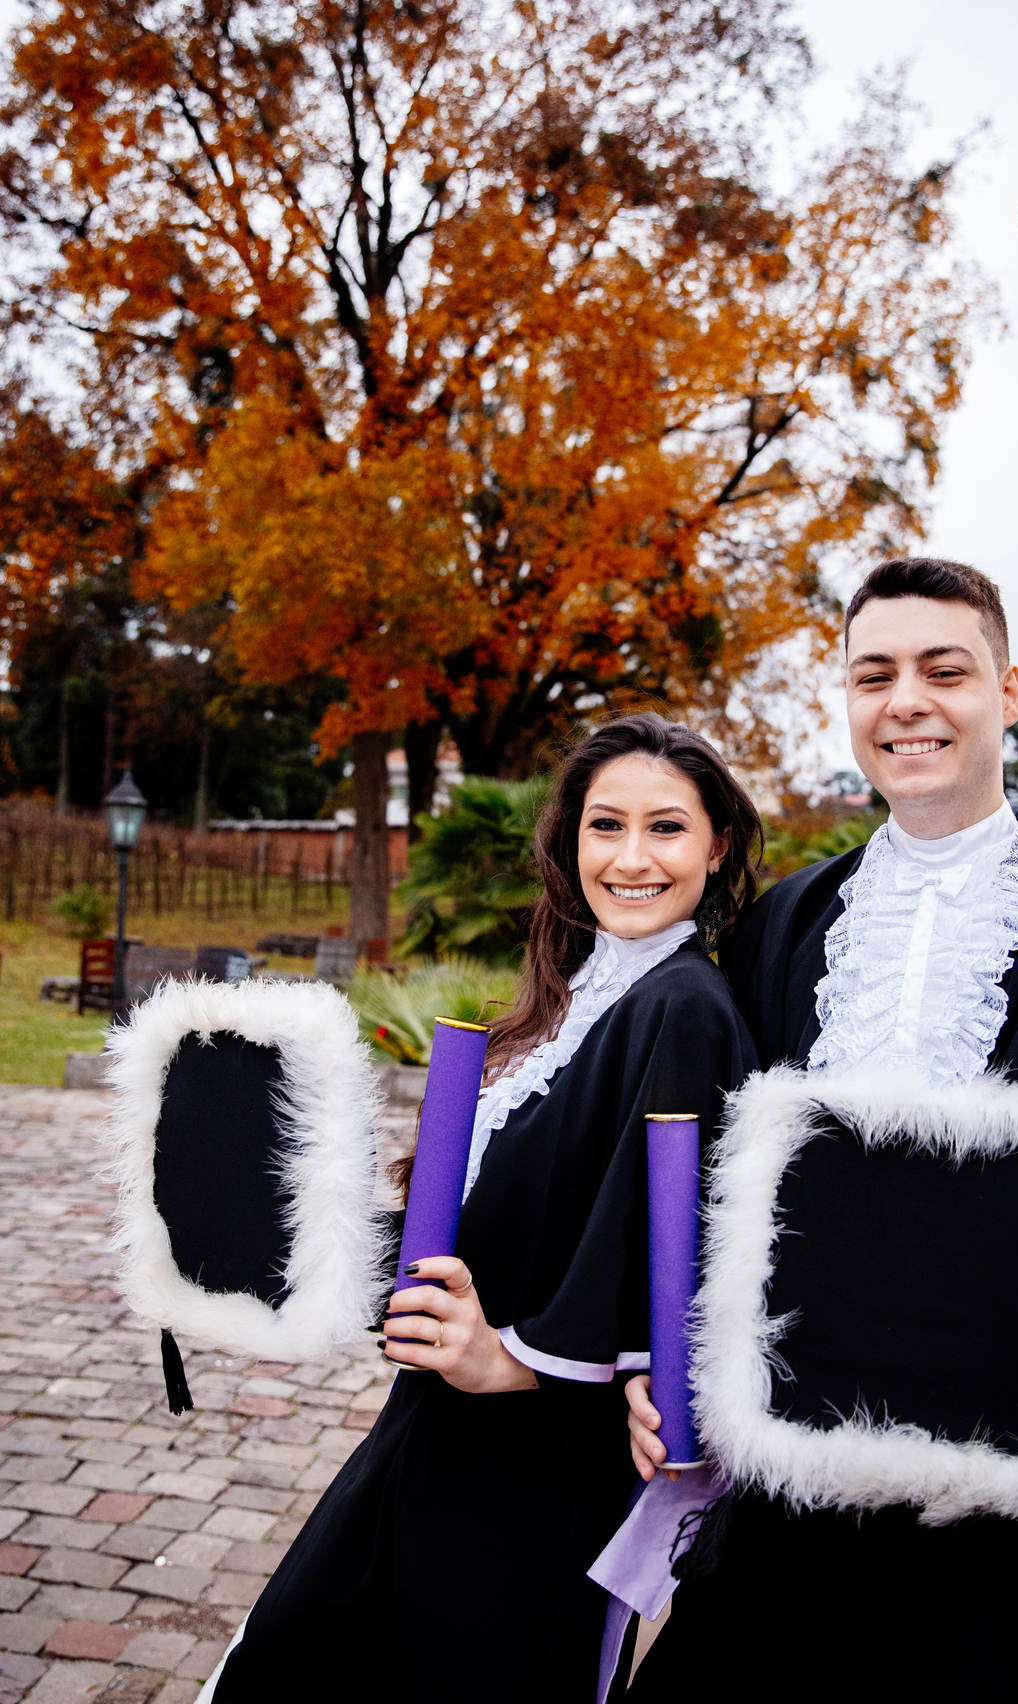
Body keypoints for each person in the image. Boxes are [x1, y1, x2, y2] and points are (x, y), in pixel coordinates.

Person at [624, 558, 1018, 1704]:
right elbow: (719, 1186)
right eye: (873, 675)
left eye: (944, 670)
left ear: (1009, 690)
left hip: (984, 1501)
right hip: (777, 1481)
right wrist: (674, 1369)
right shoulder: (783, 921)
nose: (906, 703)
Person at [208, 714, 760, 1703]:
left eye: (666, 829)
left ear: (717, 847)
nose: (631, 858)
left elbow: (664, 1241)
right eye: (606, 826)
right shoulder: (567, 997)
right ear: (570, 840)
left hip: (533, 1455)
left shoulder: (684, 1007)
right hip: (433, 1420)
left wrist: (510, 1358)